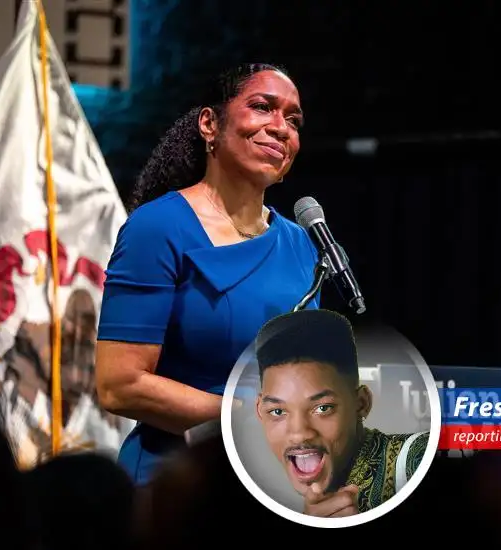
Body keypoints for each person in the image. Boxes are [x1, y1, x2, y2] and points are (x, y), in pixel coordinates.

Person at [95, 63, 321, 484]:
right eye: (262, 107)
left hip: (273, 486)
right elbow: (119, 384)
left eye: (293, 120)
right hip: (176, 486)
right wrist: (248, 423)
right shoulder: (159, 227)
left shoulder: (304, 246)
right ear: (209, 124)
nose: (281, 127)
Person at [254, 309, 429, 517]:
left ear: (362, 403)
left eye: (323, 408)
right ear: (260, 412)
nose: (299, 434)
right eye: (278, 411)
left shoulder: (418, 458)